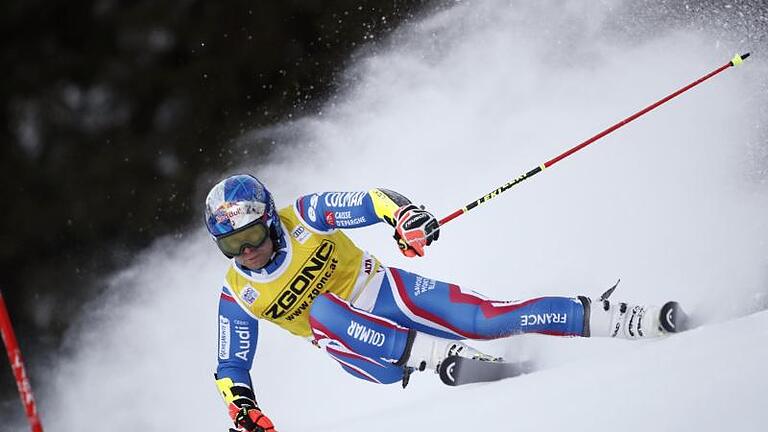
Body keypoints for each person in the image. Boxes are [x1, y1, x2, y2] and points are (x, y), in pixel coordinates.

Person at [205, 174, 684, 432]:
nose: (247, 252)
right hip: (363, 351)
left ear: (268, 219)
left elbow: (372, 201)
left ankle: (626, 320)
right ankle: (439, 358)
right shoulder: (238, 293)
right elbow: (231, 365)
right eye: (231, 245)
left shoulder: (305, 217)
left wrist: (406, 218)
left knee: (490, 318)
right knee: (323, 312)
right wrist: (242, 409)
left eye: (249, 235)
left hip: (389, 292)